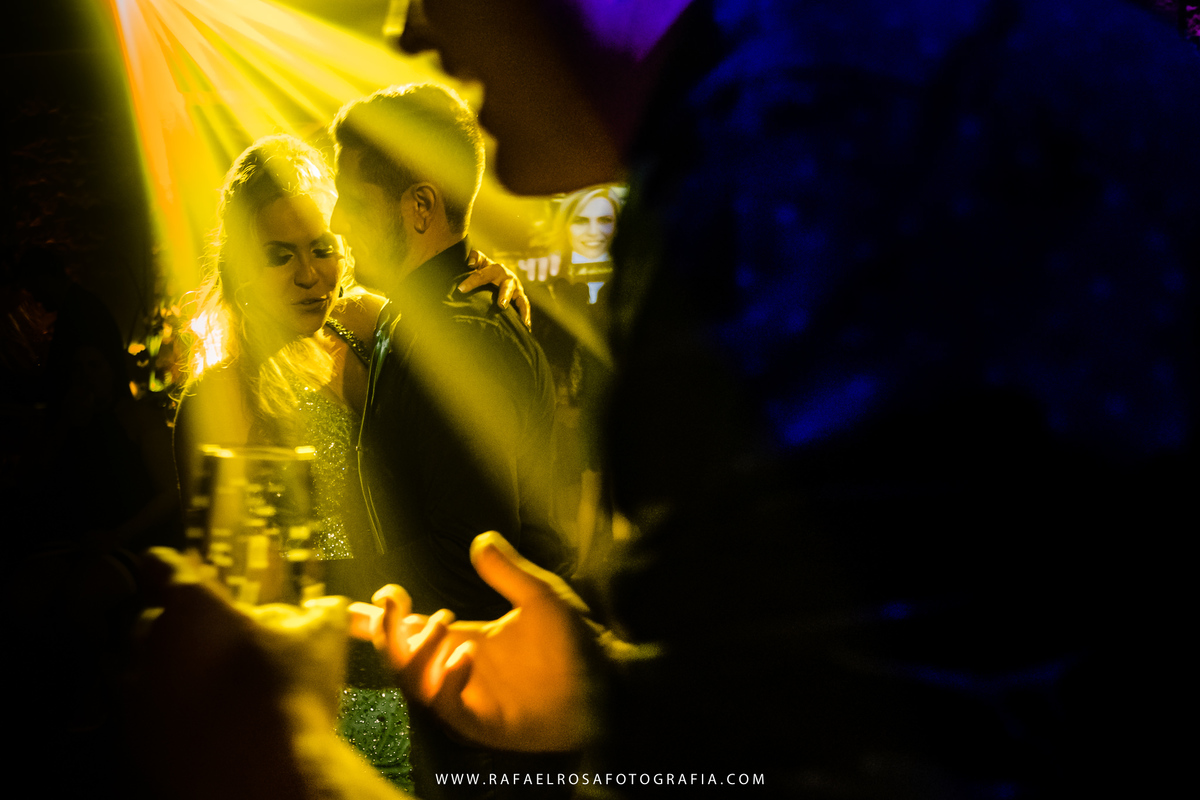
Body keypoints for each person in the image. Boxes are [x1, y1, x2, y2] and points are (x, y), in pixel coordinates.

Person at [364, 0, 1199, 797]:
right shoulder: (855, 75)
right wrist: (612, 698)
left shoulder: (802, 125)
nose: (407, 29)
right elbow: (945, 641)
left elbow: (860, 762)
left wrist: (296, 749)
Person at [171, 133, 529, 791]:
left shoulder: (362, 324)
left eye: (322, 248)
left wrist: (490, 282)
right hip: (324, 675)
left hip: (420, 643)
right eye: (280, 255)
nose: (311, 275)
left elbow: (455, 329)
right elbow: (240, 586)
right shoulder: (221, 396)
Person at [328, 83, 575, 798]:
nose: (338, 221)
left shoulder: (459, 337)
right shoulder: (420, 319)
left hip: (482, 721)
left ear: (420, 206)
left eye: (353, 199)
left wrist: (334, 606)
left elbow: (471, 564)